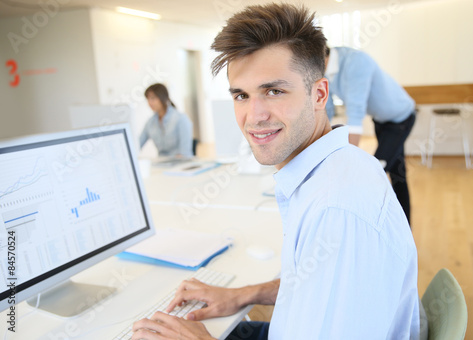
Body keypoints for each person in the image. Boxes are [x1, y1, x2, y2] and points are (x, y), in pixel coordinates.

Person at [131, 4, 423, 340]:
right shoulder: (329, 170)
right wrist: (244, 294)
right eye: (241, 95)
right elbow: (316, 282)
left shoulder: (337, 210)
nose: (254, 116)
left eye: (274, 91)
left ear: (320, 95)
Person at [325, 46, 416, 223]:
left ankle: (377, 229)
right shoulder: (323, 70)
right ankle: (405, 227)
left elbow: (356, 112)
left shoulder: (355, 61)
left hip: (401, 119)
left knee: (374, 174)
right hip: (380, 121)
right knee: (398, 175)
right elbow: (327, 110)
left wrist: (347, 160)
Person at [139, 83, 194, 157]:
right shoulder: (150, 122)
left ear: (163, 97)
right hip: (161, 165)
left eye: (153, 98)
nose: (150, 103)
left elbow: (185, 152)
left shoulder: (181, 119)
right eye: (148, 99)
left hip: (181, 164)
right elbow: (138, 144)